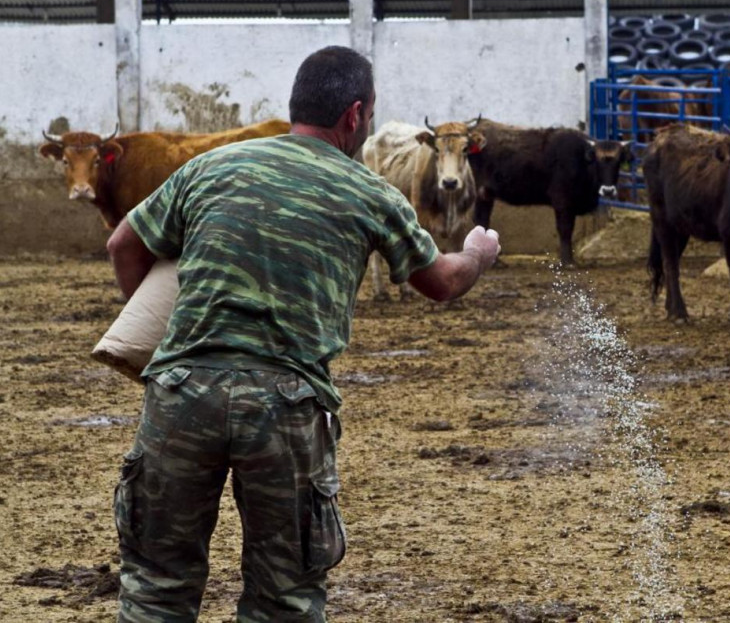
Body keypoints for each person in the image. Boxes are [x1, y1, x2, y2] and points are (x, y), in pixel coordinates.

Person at [105, 45, 500, 622]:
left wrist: (158, 339)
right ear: (355, 115)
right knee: (283, 599)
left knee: (156, 589)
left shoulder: (213, 166)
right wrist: (478, 254)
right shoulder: (369, 192)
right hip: (285, 405)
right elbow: (440, 282)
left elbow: (123, 244)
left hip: (182, 391)